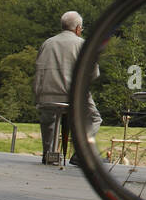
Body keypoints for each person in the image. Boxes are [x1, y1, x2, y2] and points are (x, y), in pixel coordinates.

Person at [33, 11, 101, 166]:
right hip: (72, 96)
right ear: (78, 28)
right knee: (95, 118)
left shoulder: (47, 43)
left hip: (46, 95)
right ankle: (80, 152)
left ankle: (48, 152)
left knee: (48, 119)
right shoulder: (82, 44)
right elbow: (94, 74)